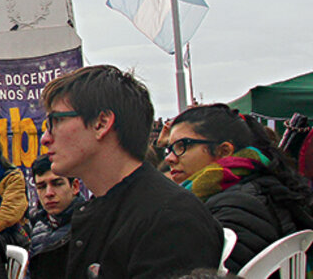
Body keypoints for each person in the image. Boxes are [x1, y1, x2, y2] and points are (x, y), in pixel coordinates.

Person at [40, 65, 223, 278]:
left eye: (55, 121)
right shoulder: (109, 209)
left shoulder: (171, 220)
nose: (45, 138)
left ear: (101, 123)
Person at [164, 104, 313, 273]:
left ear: (224, 150)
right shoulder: (259, 184)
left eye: (182, 145)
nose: (169, 158)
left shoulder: (236, 205)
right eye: (168, 149)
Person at [27, 155, 84, 278]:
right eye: (41, 187)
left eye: (57, 184)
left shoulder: (89, 224)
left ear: (74, 187)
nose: (49, 193)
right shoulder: (39, 227)